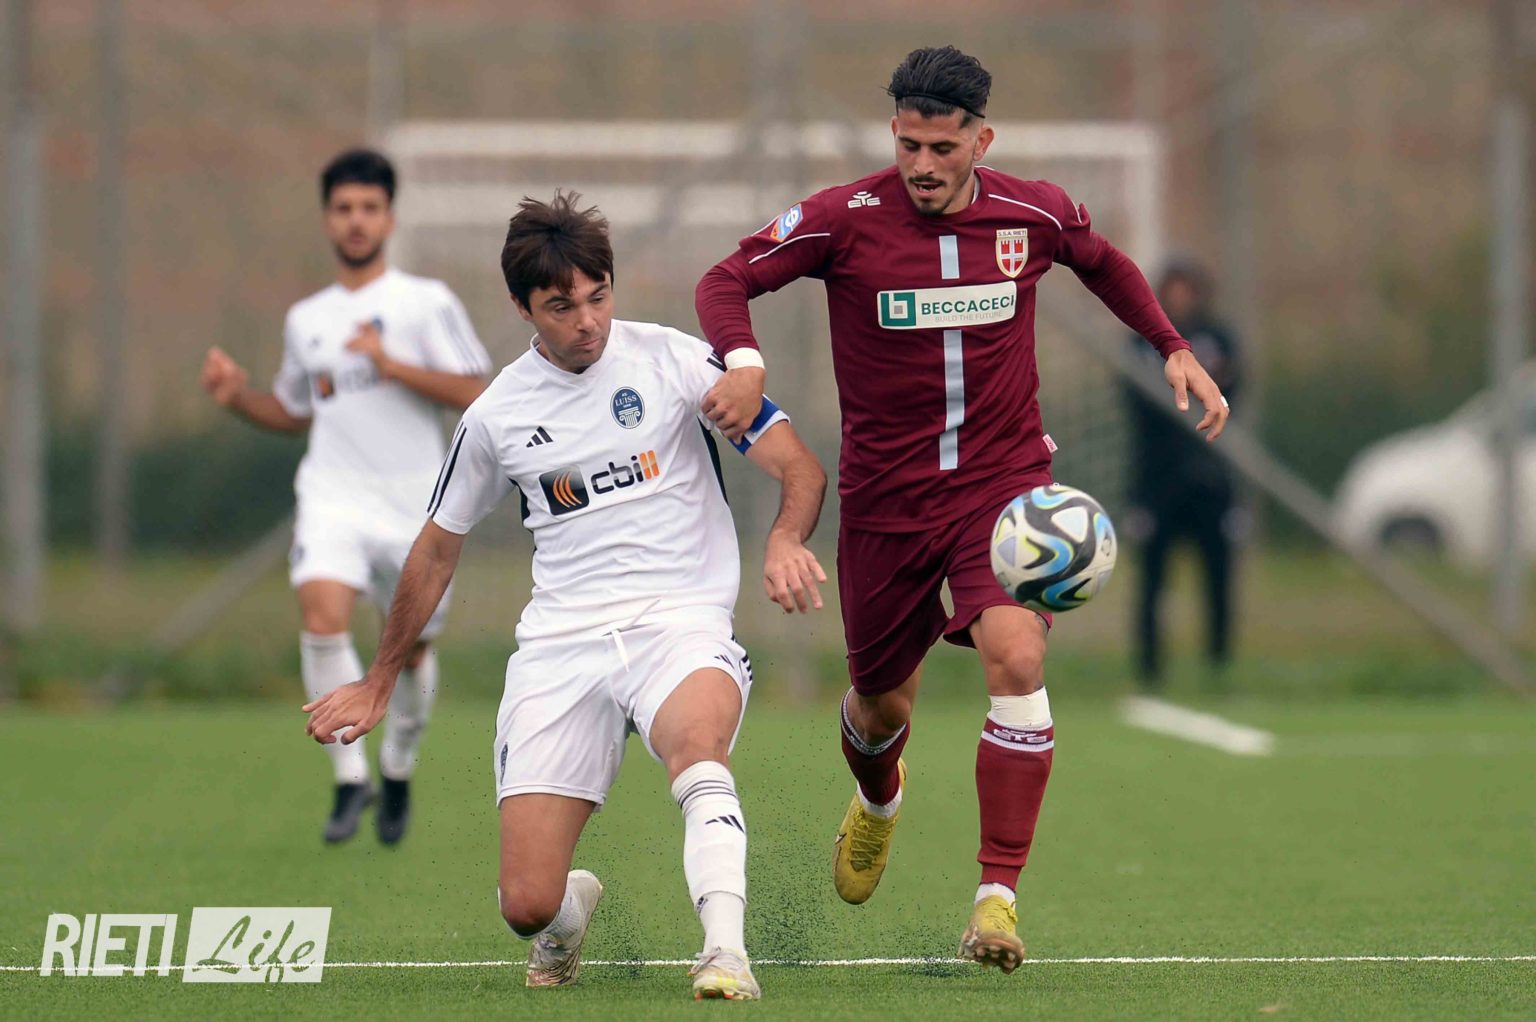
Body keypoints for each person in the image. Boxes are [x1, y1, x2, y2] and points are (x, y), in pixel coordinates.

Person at [695, 46, 1230, 972]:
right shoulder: (844, 219)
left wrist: (1171, 344)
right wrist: (745, 361)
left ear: (981, 141)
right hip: (884, 501)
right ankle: (879, 798)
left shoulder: (1032, 213)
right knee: (877, 708)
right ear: (893, 135)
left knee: (1016, 653)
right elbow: (725, 278)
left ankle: (996, 900)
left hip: (1002, 483)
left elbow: (1104, 262)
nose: (923, 165)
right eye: (909, 145)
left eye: (943, 148)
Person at [302, 192, 828, 1001]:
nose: (587, 321)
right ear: (523, 308)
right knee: (526, 903)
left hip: (679, 621)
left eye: (598, 296)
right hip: (562, 643)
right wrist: (379, 678)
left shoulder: (675, 362)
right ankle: (564, 921)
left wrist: (787, 537)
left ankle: (725, 954)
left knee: (698, 748)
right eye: (561, 306)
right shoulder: (497, 416)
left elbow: (800, 467)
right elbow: (436, 548)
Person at [200, 148, 491, 845]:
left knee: (411, 652)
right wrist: (238, 397)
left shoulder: (425, 302)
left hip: (417, 504)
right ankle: (351, 776)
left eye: (368, 208)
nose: (355, 221)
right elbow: (298, 410)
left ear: (389, 218)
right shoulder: (307, 318)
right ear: (327, 219)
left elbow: (479, 390)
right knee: (322, 613)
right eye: (343, 209)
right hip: (333, 493)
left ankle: (398, 765)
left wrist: (391, 365)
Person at [1124, 260, 1243, 689]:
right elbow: (1134, 398)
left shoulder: (1218, 337)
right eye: (1172, 290)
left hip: (1211, 478)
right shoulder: (1139, 341)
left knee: (1218, 577)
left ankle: (1219, 664)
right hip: (1156, 481)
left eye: (1187, 290)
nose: (1180, 298)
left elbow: (1235, 385)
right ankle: (1149, 668)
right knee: (1153, 580)